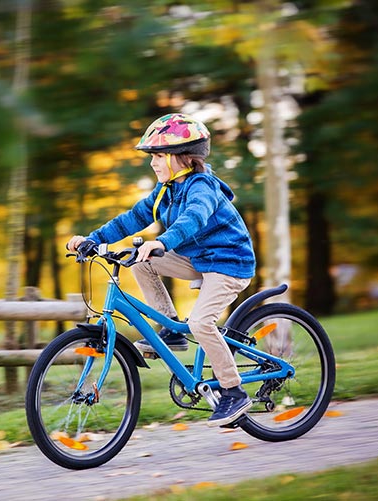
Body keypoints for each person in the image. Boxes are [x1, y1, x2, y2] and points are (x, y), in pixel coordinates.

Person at [67, 113, 256, 428]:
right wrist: (93, 240)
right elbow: (132, 218)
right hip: (198, 259)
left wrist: (163, 242)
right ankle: (169, 330)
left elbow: (193, 218)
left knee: (200, 322)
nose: (152, 163)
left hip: (228, 263)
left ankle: (233, 391)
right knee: (139, 259)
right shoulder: (166, 191)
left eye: (157, 156)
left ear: (182, 158)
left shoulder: (202, 186)